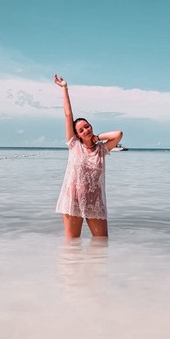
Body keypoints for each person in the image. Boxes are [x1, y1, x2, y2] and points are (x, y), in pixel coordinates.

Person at [54, 74, 123, 239]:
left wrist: (97, 138)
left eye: (87, 126)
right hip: (73, 200)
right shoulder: (74, 145)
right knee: (72, 246)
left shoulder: (102, 149)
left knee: (101, 244)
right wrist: (64, 88)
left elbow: (118, 134)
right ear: (76, 135)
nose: (86, 130)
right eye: (81, 130)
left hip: (95, 203)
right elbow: (68, 115)